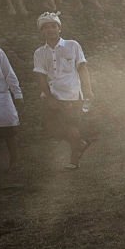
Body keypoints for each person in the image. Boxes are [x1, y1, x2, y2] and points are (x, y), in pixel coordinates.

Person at [32, 12, 96, 169]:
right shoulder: (39, 53)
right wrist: (49, 97)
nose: (50, 30)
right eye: (46, 27)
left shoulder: (72, 45)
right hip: (53, 95)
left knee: (71, 126)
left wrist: (88, 90)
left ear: (59, 28)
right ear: (42, 31)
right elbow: (40, 77)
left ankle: (74, 161)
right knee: (52, 129)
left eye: (53, 26)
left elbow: (82, 68)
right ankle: (81, 143)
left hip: (72, 95)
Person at [0, 44, 22, 171]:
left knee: (10, 130)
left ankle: (15, 161)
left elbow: (9, 73)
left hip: (2, 97)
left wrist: (18, 94)